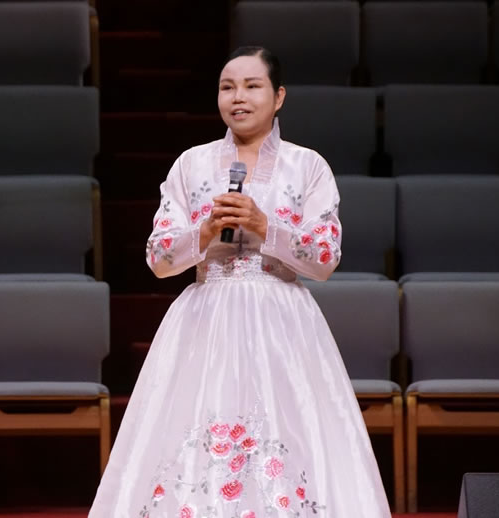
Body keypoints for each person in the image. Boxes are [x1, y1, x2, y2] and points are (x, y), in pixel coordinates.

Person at [89, 46, 390, 518]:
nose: (238, 97)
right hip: (204, 317)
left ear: (279, 96)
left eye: (252, 86)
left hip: (283, 320)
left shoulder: (307, 166)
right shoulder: (192, 164)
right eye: (227, 87)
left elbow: (325, 259)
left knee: (292, 436)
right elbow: (159, 258)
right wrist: (205, 231)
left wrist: (266, 227)